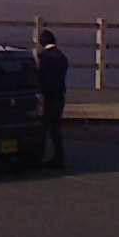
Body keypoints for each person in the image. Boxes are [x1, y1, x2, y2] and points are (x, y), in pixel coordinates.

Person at [37, 29, 69, 168]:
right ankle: (58, 156)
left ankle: (39, 156)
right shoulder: (62, 57)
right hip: (60, 95)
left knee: (43, 128)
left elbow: (41, 78)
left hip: (48, 96)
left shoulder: (44, 57)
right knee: (55, 128)